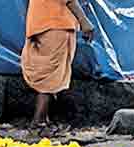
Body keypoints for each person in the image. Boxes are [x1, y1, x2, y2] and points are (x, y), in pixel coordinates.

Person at [21, 0, 95, 128]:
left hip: (37, 24)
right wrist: (84, 21)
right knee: (52, 75)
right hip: (56, 25)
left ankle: (44, 118)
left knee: (46, 71)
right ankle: (39, 121)